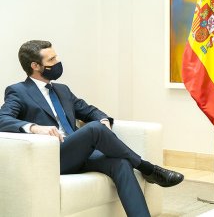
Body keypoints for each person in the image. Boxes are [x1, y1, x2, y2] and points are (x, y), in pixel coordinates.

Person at [0, 40, 184, 217]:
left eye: (56, 57)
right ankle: (148, 168)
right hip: (54, 156)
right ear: (35, 66)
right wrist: (33, 128)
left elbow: (90, 111)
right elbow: (3, 119)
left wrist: (103, 120)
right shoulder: (19, 91)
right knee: (94, 129)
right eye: (51, 60)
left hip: (79, 153)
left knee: (120, 163)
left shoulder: (62, 90)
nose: (58, 63)